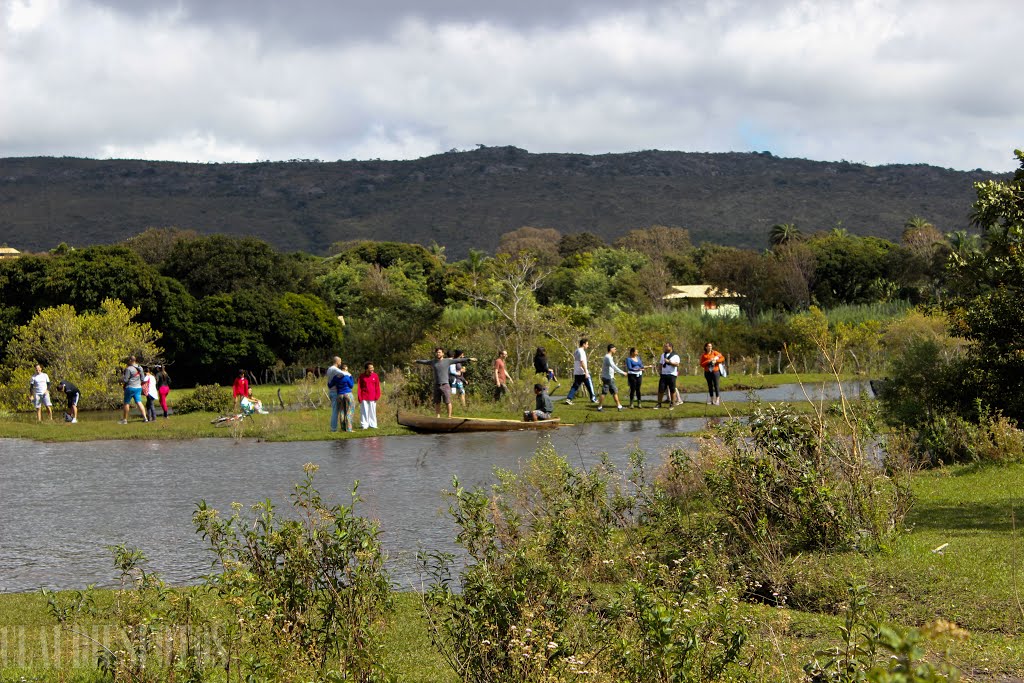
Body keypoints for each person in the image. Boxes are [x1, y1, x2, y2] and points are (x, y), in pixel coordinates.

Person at [415, 347, 476, 418]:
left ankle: (449, 416)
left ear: (443, 354)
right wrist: (416, 361)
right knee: (437, 402)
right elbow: (425, 361)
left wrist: (469, 359)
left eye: (439, 352)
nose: (438, 353)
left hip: (445, 385)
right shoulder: (433, 362)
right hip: (436, 385)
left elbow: (458, 360)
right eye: (437, 352)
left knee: (447, 401)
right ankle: (438, 416)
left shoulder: (447, 361)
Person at [564, 338, 596, 405]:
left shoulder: (576, 351)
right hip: (582, 372)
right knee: (590, 385)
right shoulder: (581, 351)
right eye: (587, 344)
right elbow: (582, 362)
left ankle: (569, 398)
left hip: (577, 371)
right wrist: (586, 372)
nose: (588, 345)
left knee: (575, 386)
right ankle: (593, 398)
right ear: (583, 344)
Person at [596, 344, 626, 412]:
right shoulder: (608, 357)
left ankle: (619, 406)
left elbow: (609, 368)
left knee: (613, 392)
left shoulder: (609, 357)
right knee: (606, 392)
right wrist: (622, 372)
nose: (615, 350)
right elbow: (613, 366)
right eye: (614, 349)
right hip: (608, 378)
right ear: (611, 349)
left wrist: (613, 376)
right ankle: (600, 407)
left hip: (608, 377)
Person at [120, 355, 148, 424]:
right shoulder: (140, 368)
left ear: (130, 360)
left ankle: (125, 420)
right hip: (138, 387)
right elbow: (142, 379)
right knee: (139, 402)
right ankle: (145, 418)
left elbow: (125, 380)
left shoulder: (128, 369)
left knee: (126, 403)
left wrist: (121, 380)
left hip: (130, 387)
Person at [328, 363, 356, 432]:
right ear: (346, 369)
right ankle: (349, 428)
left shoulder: (336, 377)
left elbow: (330, 385)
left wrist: (329, 380)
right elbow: (351, 385)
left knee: (342, 411)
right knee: (350, 410)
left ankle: (343, 428)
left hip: (340, 395)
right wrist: (351, 377)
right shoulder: (347, 376)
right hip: (348, 394)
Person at [655, 343, 680, 410]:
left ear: (671, 347)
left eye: (666, 346)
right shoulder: (663, 355)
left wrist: (669, 362)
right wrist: (660, 371)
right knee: (661, 389)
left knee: (672, 389)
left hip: (672, 374)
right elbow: (661, 363)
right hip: (663, 375)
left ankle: (672, 403)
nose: (665, 347)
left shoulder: (675, 356)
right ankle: (659, 403)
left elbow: (677, 364)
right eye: (665, 346)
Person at [357, 362, 382, 429]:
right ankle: (364, 425)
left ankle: (373, 425)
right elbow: (359, 387)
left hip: (373, 397)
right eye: (370, 368)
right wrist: (359, 397)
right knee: (364, 411)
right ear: (366, 369)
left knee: (372, 411)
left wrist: (377, 395)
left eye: (372, 368)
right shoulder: (361, 376)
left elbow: (377, 386)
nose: (372, 369)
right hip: (364, 397)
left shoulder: (375, 376)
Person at [326, 356, 344, 431]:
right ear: (337, 362)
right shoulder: (335, 369)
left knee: (335, 410)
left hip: (331, 391)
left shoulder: (329, 369)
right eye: (340, 361)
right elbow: (343, 374)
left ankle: (334, 427)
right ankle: (333, 428)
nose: (341, 363)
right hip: (335, 391)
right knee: (335, 411)